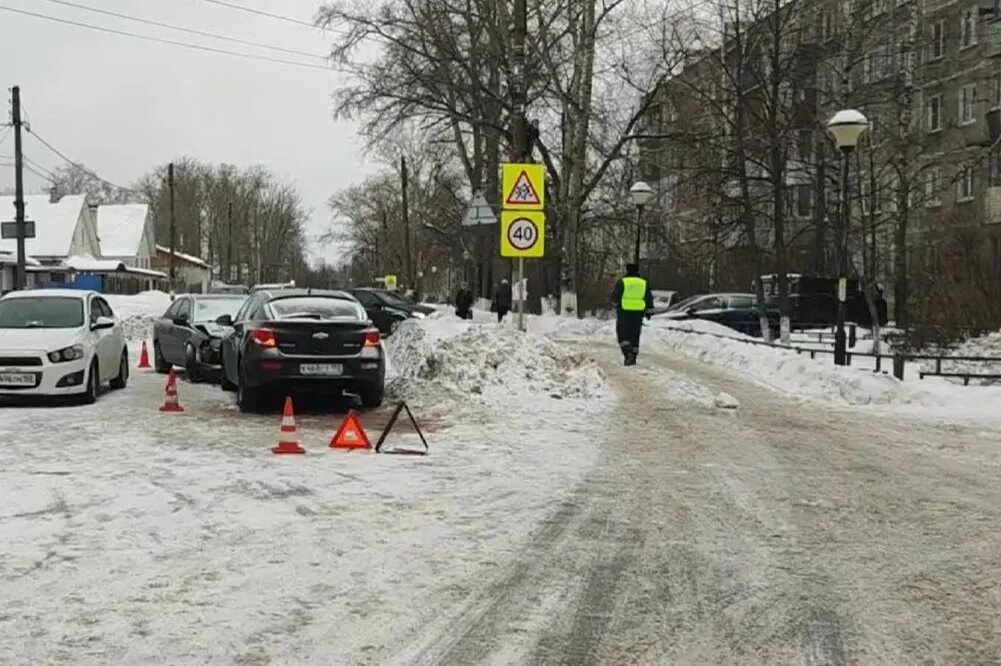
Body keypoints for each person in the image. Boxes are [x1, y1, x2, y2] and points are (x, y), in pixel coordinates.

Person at [610, 263, 654, 366]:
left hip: (624, 312)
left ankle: (627, 352)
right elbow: (648, 297)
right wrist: (649, 311)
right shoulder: (643, 282)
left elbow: (615, 297)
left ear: (627, 270)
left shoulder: (623, 281)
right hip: (638, 313)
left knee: (623, 333)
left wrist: (615, 304)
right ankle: (633, 356)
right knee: (635, 334)